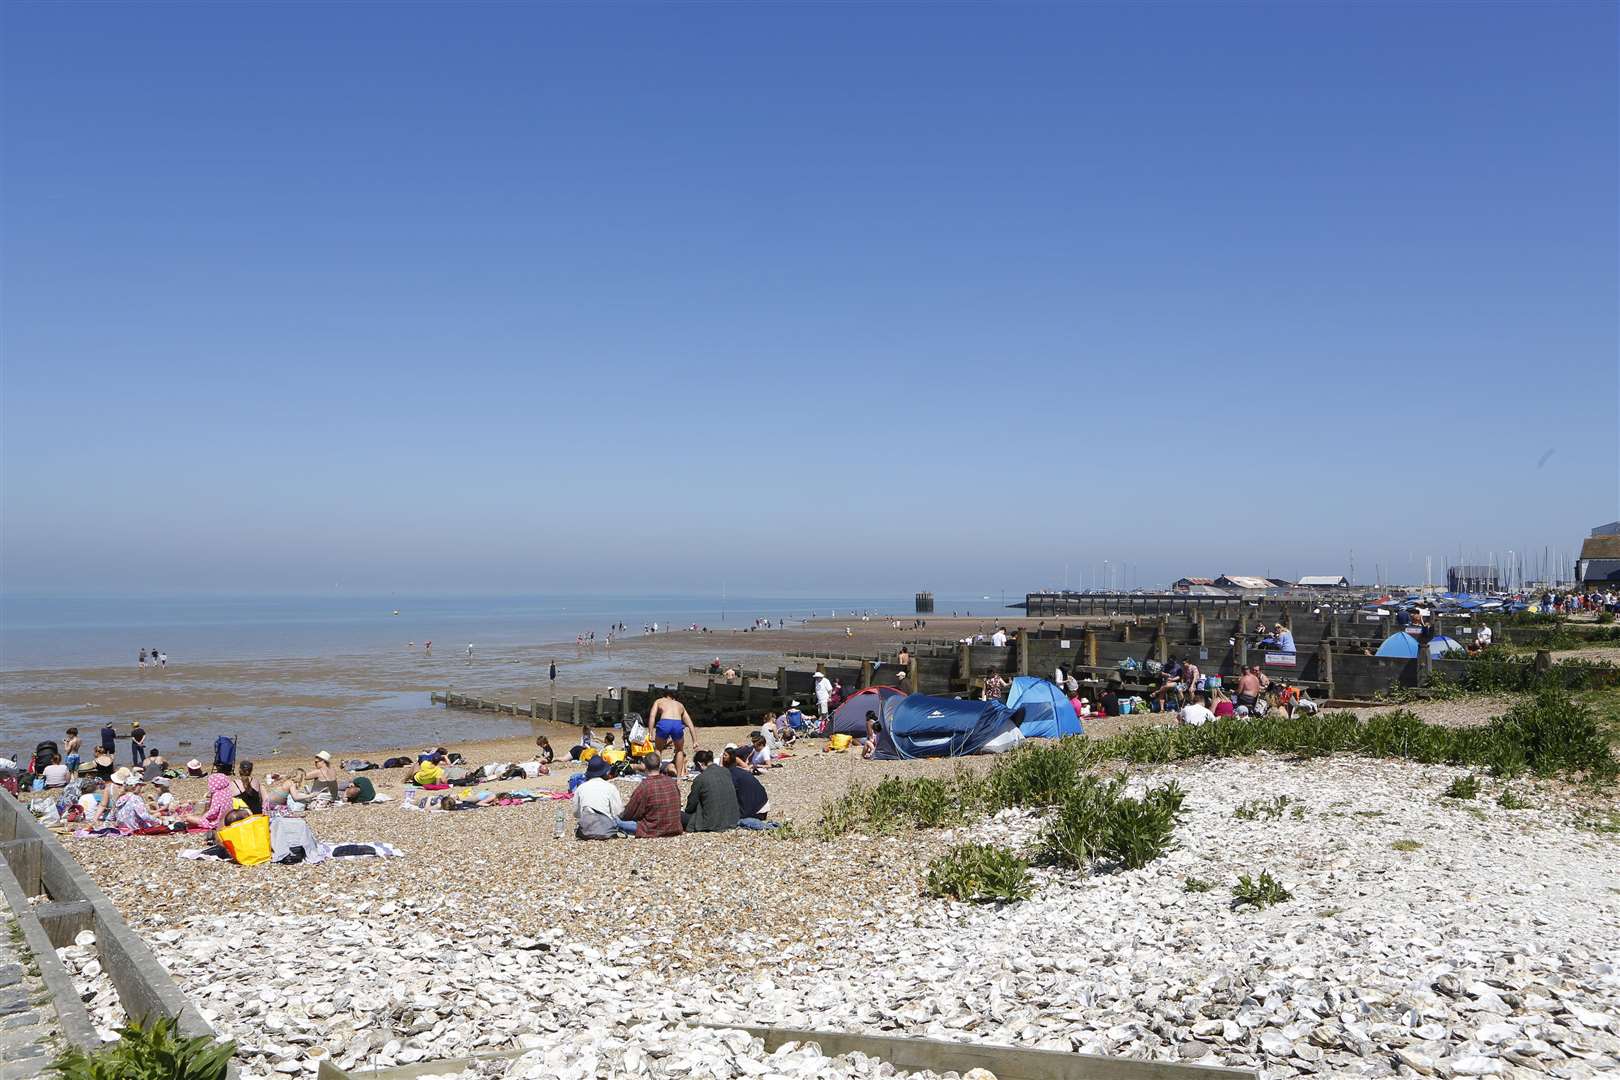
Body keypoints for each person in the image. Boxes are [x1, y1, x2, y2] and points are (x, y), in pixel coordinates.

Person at [618, 753, 682, 837]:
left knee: (616, 821)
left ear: (645, 766)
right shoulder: (672, 782)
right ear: (659, 765)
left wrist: (621, 817)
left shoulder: (645, 786)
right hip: (674, 827)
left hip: (652, 829)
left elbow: (630, 811)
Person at [682, 750, 739, 832]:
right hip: (732, 819)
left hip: (711, 823)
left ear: (700, 764)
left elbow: (691, 804)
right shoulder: (726, 771)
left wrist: (688, 812)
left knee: (679, 815)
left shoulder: (701, 779)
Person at [572, 756, 624, 839]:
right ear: (605, 772)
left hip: (586, 830)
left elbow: (576, 813)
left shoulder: (581, 788)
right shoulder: (610, 787)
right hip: (607, 830)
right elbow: (618, 812)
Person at [649, 691, 698, 776]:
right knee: (679, 750)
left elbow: (652, 716)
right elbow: (690, 724)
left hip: (665, 722)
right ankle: (679, 777)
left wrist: (650, 733)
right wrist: (695, 741)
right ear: (674, 697)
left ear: (664, 695)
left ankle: (656, 775)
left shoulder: (659, 701)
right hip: (677, 724)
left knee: (658, 749)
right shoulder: (680, 705)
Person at [723, 745, 771, 827]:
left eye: (725, 755)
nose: (723, 757)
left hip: (757, 810)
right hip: (763, 805)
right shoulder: (738, 771)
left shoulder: (731, 774)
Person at [183, 764, 237, 831]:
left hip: (217, 822)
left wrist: (203, 817)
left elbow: (213, 812)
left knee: (188, 818)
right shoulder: (227, 792)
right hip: (226, 818)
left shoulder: (217, 795)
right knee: (194, 818)